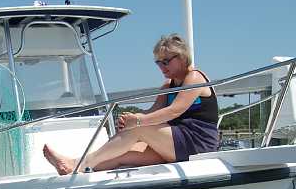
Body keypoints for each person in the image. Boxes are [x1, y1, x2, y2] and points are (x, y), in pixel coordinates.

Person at [43, 33, 219, 174]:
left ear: (182, 57)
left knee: (137, 128)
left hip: (197, 142)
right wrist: (133, 119)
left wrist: (137, 122)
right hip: (176, 142)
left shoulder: (194, 77)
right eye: (158, 62)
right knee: (124, 153)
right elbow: (152, 113)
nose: (162, 67)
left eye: (166, 61)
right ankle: (79, 170)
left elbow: (174, 111)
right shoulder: (168, 86)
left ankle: (78, 163)